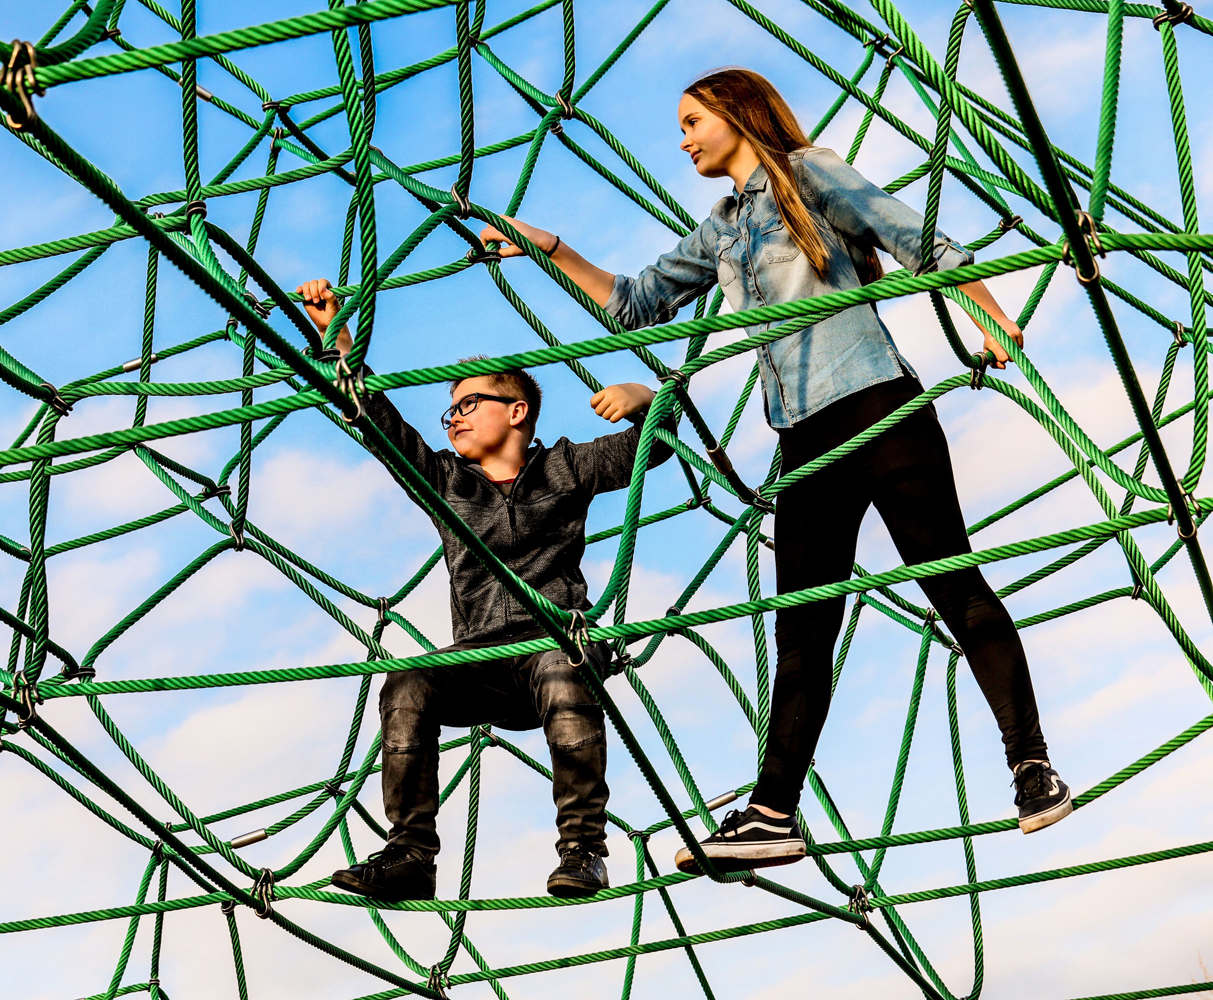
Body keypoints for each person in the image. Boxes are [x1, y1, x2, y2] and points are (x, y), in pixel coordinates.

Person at [478, 67, 1071, 875]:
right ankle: (771, 815)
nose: (683, 139)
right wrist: (547, 246)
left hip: (878, 407)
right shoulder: (721, 229)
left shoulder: (811, 172)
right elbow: (633, 302)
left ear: (735, 113)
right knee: (801, 635)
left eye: (692, 121)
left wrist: (988, 313)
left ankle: (1031, 765)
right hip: (804, 441)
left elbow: (916, 239)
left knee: (953, 587)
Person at [294, 278, 672, 900]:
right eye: (451, 410)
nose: (454, 419)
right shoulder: (445, 482)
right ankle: (412, 853)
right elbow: (377, 423)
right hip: (484, 663)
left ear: (516, 411)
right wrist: (337, 345)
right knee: (408, 678)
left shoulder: (567, 467)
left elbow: (651, 446)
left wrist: (645, 397)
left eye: (469, 404)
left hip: (559, 649)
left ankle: (583, 850)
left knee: (560, 662)